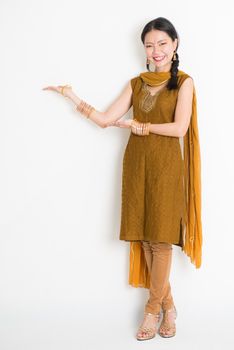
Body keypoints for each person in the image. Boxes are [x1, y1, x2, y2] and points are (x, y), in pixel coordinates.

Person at [42, 16, 202, 342]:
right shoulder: (136, 83)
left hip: (167, 167)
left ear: (175, 45)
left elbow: (179, 129)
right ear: (143, 49)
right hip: (137, 165)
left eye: (162, 43)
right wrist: (71, 96)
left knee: (160, 239)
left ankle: (153, 310)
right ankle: (169, 306)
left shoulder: (184, 82)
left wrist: (142, 127)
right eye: (149, 45)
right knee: (143, 238)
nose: (156, 50)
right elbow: (104, 120)